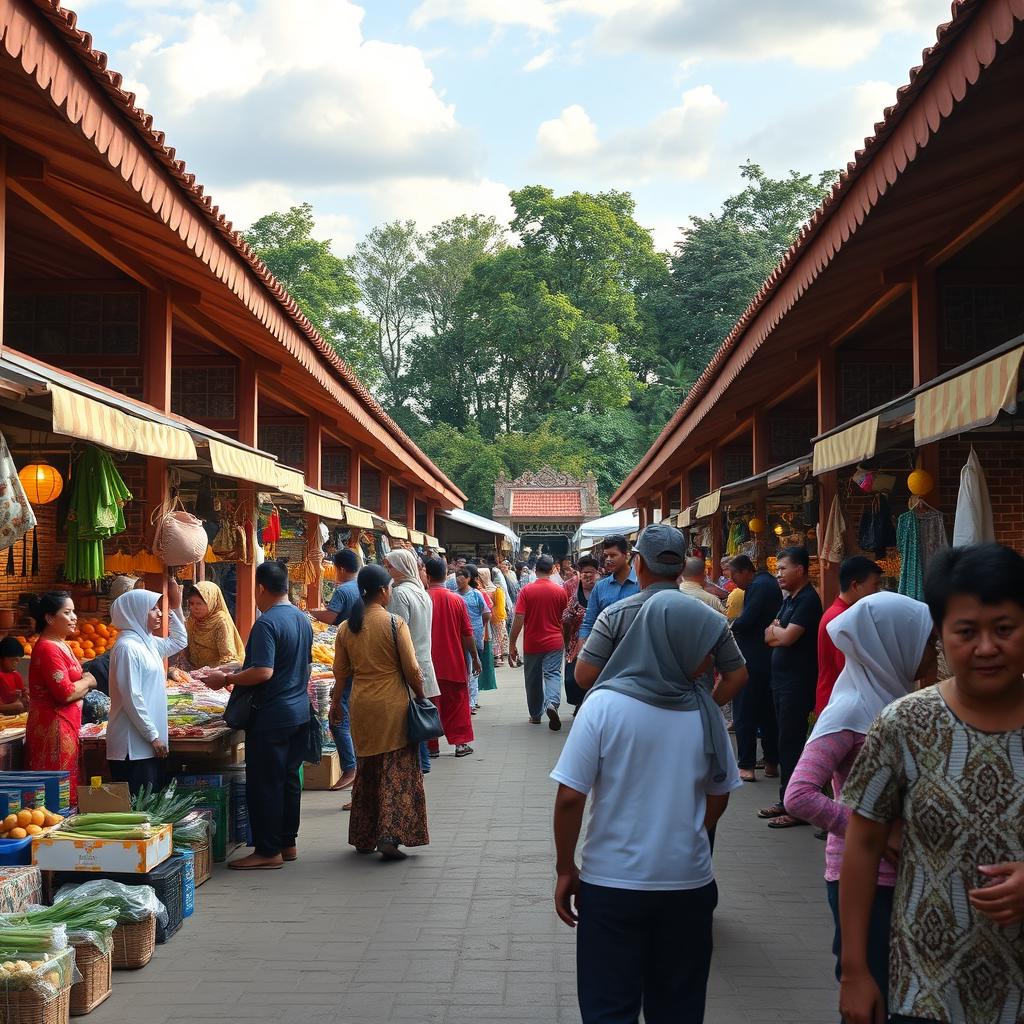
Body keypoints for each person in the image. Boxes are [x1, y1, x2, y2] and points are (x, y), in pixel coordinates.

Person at [550, 523, 743, 1024]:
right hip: (688, 882)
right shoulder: (704, 715)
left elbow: (571, 797)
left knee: (609, 1007)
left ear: (639, 564)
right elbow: (721, 791)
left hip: (612, 883)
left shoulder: (603, 705)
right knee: (678, 1007)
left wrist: (565, 867)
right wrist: (691, 833)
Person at [839, 543, 1024, 1024]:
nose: (986, 647)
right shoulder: (905, 724)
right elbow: (862, 845)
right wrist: (855, 971)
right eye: (966, 632)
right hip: (927, 988)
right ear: (940, 635)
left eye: (1004, 629)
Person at [784, 592, 935, 1010]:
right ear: (894, 643)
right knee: (872, 998)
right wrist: (873, 831)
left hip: (907, 875)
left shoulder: (901, 703)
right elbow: (798, 795)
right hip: (866, 879)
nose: (932, 652)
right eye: (925, 642)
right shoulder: (849, 710)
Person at [574, 526, 747, 718]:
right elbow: (738, 675)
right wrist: (706, 708)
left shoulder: (614, 615)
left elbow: (584, 676)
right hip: (690, 723)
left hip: (629, 718)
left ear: (637, 563)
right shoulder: (711, 618)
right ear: (682, 567)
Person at [205, 561, 312, 871]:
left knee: (265, 784)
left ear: (261, 588)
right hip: (298, 712)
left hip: (272, 716)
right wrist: (238, 672)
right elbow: (298, 667)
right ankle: (287, 843)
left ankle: (267, 850)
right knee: (289, 780)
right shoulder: (301, 619)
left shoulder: (267, 623)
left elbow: (264, 671)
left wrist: (226, 679)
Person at [330, 565, 429, 860]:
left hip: (361, 705)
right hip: (392, 706)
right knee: (395, 769)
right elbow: (412, 670)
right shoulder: (394, 623)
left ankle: (364, 835)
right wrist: (421, 697)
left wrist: (336, 704)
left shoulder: (347, 627)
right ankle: (389, 833)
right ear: (384, 591)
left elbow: (341, 674)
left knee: (367, 768)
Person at [758, 546, 822, 827]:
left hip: (797, 683)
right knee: (785, 740)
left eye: (783, 568)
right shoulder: (789, 600)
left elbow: (784, 638)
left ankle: (797, 805)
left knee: (792, 742)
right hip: (781, 682)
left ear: (800, 569)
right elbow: (768, 634)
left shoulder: (808, 600)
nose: (779, 574)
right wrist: (776, 632)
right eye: (778, 569)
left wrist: (777, 632)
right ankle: (786, 799)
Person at [107, 583, 188, 795]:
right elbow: (132, 697)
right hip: (132, 746)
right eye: (153, 608)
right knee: (140, 809)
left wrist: (171, 611)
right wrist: (152, 735)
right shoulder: (127, 647)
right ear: (136, 612)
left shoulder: (148, 642)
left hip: (148, 743)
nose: (158, 613)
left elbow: (180, 641)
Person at [26, 592, 97, 804]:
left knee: (67, 781)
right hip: (53, 727)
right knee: (57, 788)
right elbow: (65, 693)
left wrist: (81, 684)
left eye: (73, 611)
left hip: (66, 724)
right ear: (49, 618)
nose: (74, 617)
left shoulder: (61, 643)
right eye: (67, 612)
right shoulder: (48, 648)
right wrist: (89, 682)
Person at [385, 549, 440, 774]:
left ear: (401, 567)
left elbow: (397, 634)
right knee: (415, 715)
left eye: (390, 566)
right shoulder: (421, 592)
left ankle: (419, 764)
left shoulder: (399, 594)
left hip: (408, 663)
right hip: (423, 661)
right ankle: (423, 762)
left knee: (409, 718)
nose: (387, 570)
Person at [728, 555, 782, 783]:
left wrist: (732, 626)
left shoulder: (758, 586)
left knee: (745, 712)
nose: (732, 581)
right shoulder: (767, 583)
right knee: (768, 714)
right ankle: (771, 762)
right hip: (769, 657)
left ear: (744, 571)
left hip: (752, 658)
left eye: (733, 576)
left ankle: (746, 765)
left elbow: (748, 618)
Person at [813, 556, 882, 717]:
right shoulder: (844, 618)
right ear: (855, 586)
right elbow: (848, 669)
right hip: (839, 704)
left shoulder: (838, 612)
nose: (877, 592)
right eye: (875, 585)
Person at [425, 557, 479, 757]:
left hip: (428, 663)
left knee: (430, 704)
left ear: (427, 575)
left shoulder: (422, 598)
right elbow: (467, 633)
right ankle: (461, 744)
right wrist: (475, 658)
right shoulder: (457, 600)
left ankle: (432, 746)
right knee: (457, 704)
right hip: (454, 662)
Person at [510, 554, 569, 730]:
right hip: (554, 641)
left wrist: (512, 643)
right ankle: (552, 703)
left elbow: (519, 618)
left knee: (533, 679)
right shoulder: (560, 591)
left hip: (533, 643)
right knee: (552, 674)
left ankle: (536, 715)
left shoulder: (527, 591)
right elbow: (565, 619)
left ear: (536, 570)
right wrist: (565, 641)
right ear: (552, 570)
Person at [579, 535, 638, 642]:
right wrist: (582, 648)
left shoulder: (641, 584)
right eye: (606, 556)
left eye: (613, 555)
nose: (608, 560)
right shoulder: (600, 587)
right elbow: (588, 623)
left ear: (626, 556)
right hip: (606, 650)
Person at [562, 555, 600, 714]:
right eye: (584, 572)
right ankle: (579, 702)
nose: (588, 576)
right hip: (576, 642)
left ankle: (589, 705)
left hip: (600, 642)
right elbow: (565, 618)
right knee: (572, 678)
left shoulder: (603, 589)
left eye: (591, 572)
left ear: (597, 573)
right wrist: (567, 641)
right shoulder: (572, 590)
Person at [183, 580, 245, 669]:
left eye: (199, 603)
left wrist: (209, 673)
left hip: (217, 674)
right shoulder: (192, 620)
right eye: (191, 604)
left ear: (211, 602)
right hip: (194, 674)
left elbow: (229, 659)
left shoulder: (220, 621)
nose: (195, 608)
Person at [454, 564, 490, 713]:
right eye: (457, 577)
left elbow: (486, 613)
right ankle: (468, 701)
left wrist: (479, 627)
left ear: (468, 579)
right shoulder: (454, 595)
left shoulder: (476, 594)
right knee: (465, 667)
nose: (458, 580)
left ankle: (471, 701)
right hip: (458, 637)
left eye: (461, 577)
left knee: (473, 667)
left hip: (474, 635)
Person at [311, 548, 360, 625]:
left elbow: (329, 618)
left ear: (342, 570)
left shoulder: (342, 590)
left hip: (345, 632)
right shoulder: (362, 584)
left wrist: (311, 613)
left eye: (335, 569)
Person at [479, 567, 509, 666]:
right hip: (494, 617)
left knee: (494, 637)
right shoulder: (495, 589)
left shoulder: (490, 590)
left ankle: (496, 657)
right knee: (496, 637)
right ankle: (497, 656)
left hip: (492, 618)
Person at [0, 637, 28, 714]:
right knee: (19, 706)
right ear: (2, 658)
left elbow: (22, 693)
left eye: (18, 661)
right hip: (4, 708)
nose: (15, 664)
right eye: (13, 660)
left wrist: (25, 695)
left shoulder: (15, 675)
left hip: (14, 706)